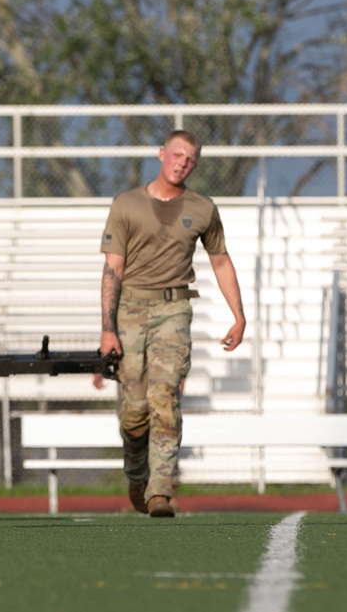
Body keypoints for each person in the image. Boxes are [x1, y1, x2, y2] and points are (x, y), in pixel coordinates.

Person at [95, 129, 246, 518]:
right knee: (134, 410)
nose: (182, 162)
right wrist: (107, 328)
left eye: (191, 158)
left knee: (165, 398)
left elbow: (221, 260)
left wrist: (239, 315)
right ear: (161, 154)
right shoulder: (126, 205)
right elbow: (112, 269)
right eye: (177, 154)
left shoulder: (203, 208)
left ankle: (160, 489)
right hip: (129, 309)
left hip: (173, 310)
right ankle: (136, 472)